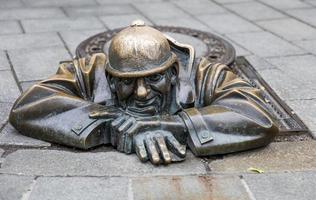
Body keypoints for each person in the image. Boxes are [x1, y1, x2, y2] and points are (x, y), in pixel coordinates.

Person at [10, 22, 278, 165]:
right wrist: (112, 125)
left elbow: (258, 116)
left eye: (155, 78)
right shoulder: (92, 70)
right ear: (111, 78)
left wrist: (175, 124)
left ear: (173, 72)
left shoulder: (205, 74)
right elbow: (29, 104)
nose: (140, 93)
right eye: (127, 82)